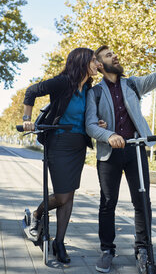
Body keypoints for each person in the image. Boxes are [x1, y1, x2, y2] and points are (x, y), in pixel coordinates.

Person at [85, 25, 156, 273]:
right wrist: (109, 135)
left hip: (136, 150)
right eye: (108, 55)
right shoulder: (94, 93)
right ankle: (107, 250)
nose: (115, 56)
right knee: (108, 202)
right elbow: (91, 125)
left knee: (142, 201)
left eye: (114, 53)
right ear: (101, 65)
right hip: (109, 154)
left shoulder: (134, 85)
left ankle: (144, 250)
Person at [22, 47, 104, 264]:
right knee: (62, 196)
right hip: (58, 143)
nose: (98, 63)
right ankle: (37, 215)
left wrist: (98, 123)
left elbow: (88, 117)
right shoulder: (62, 82)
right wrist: (26, 118)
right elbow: (31, 91)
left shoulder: (88, 89)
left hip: (79, 145)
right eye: (94, 60)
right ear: (83, 61)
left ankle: (59, 241)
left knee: (70, 194)